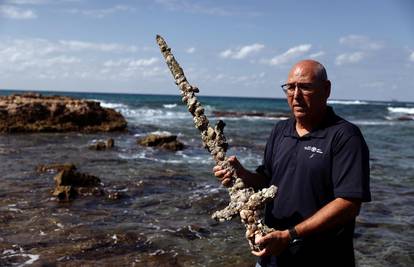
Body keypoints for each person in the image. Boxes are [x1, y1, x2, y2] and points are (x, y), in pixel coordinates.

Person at [213, 59, 371, 267]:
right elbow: (267, 181)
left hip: (323, 259)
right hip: (271, 256)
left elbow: (349, 204)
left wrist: (290, 236)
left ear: (326, 89)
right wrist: (242, 175)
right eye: (290, 87)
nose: (296, 95)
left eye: (305, 87)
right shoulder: (280, 131)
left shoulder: (344, 136)